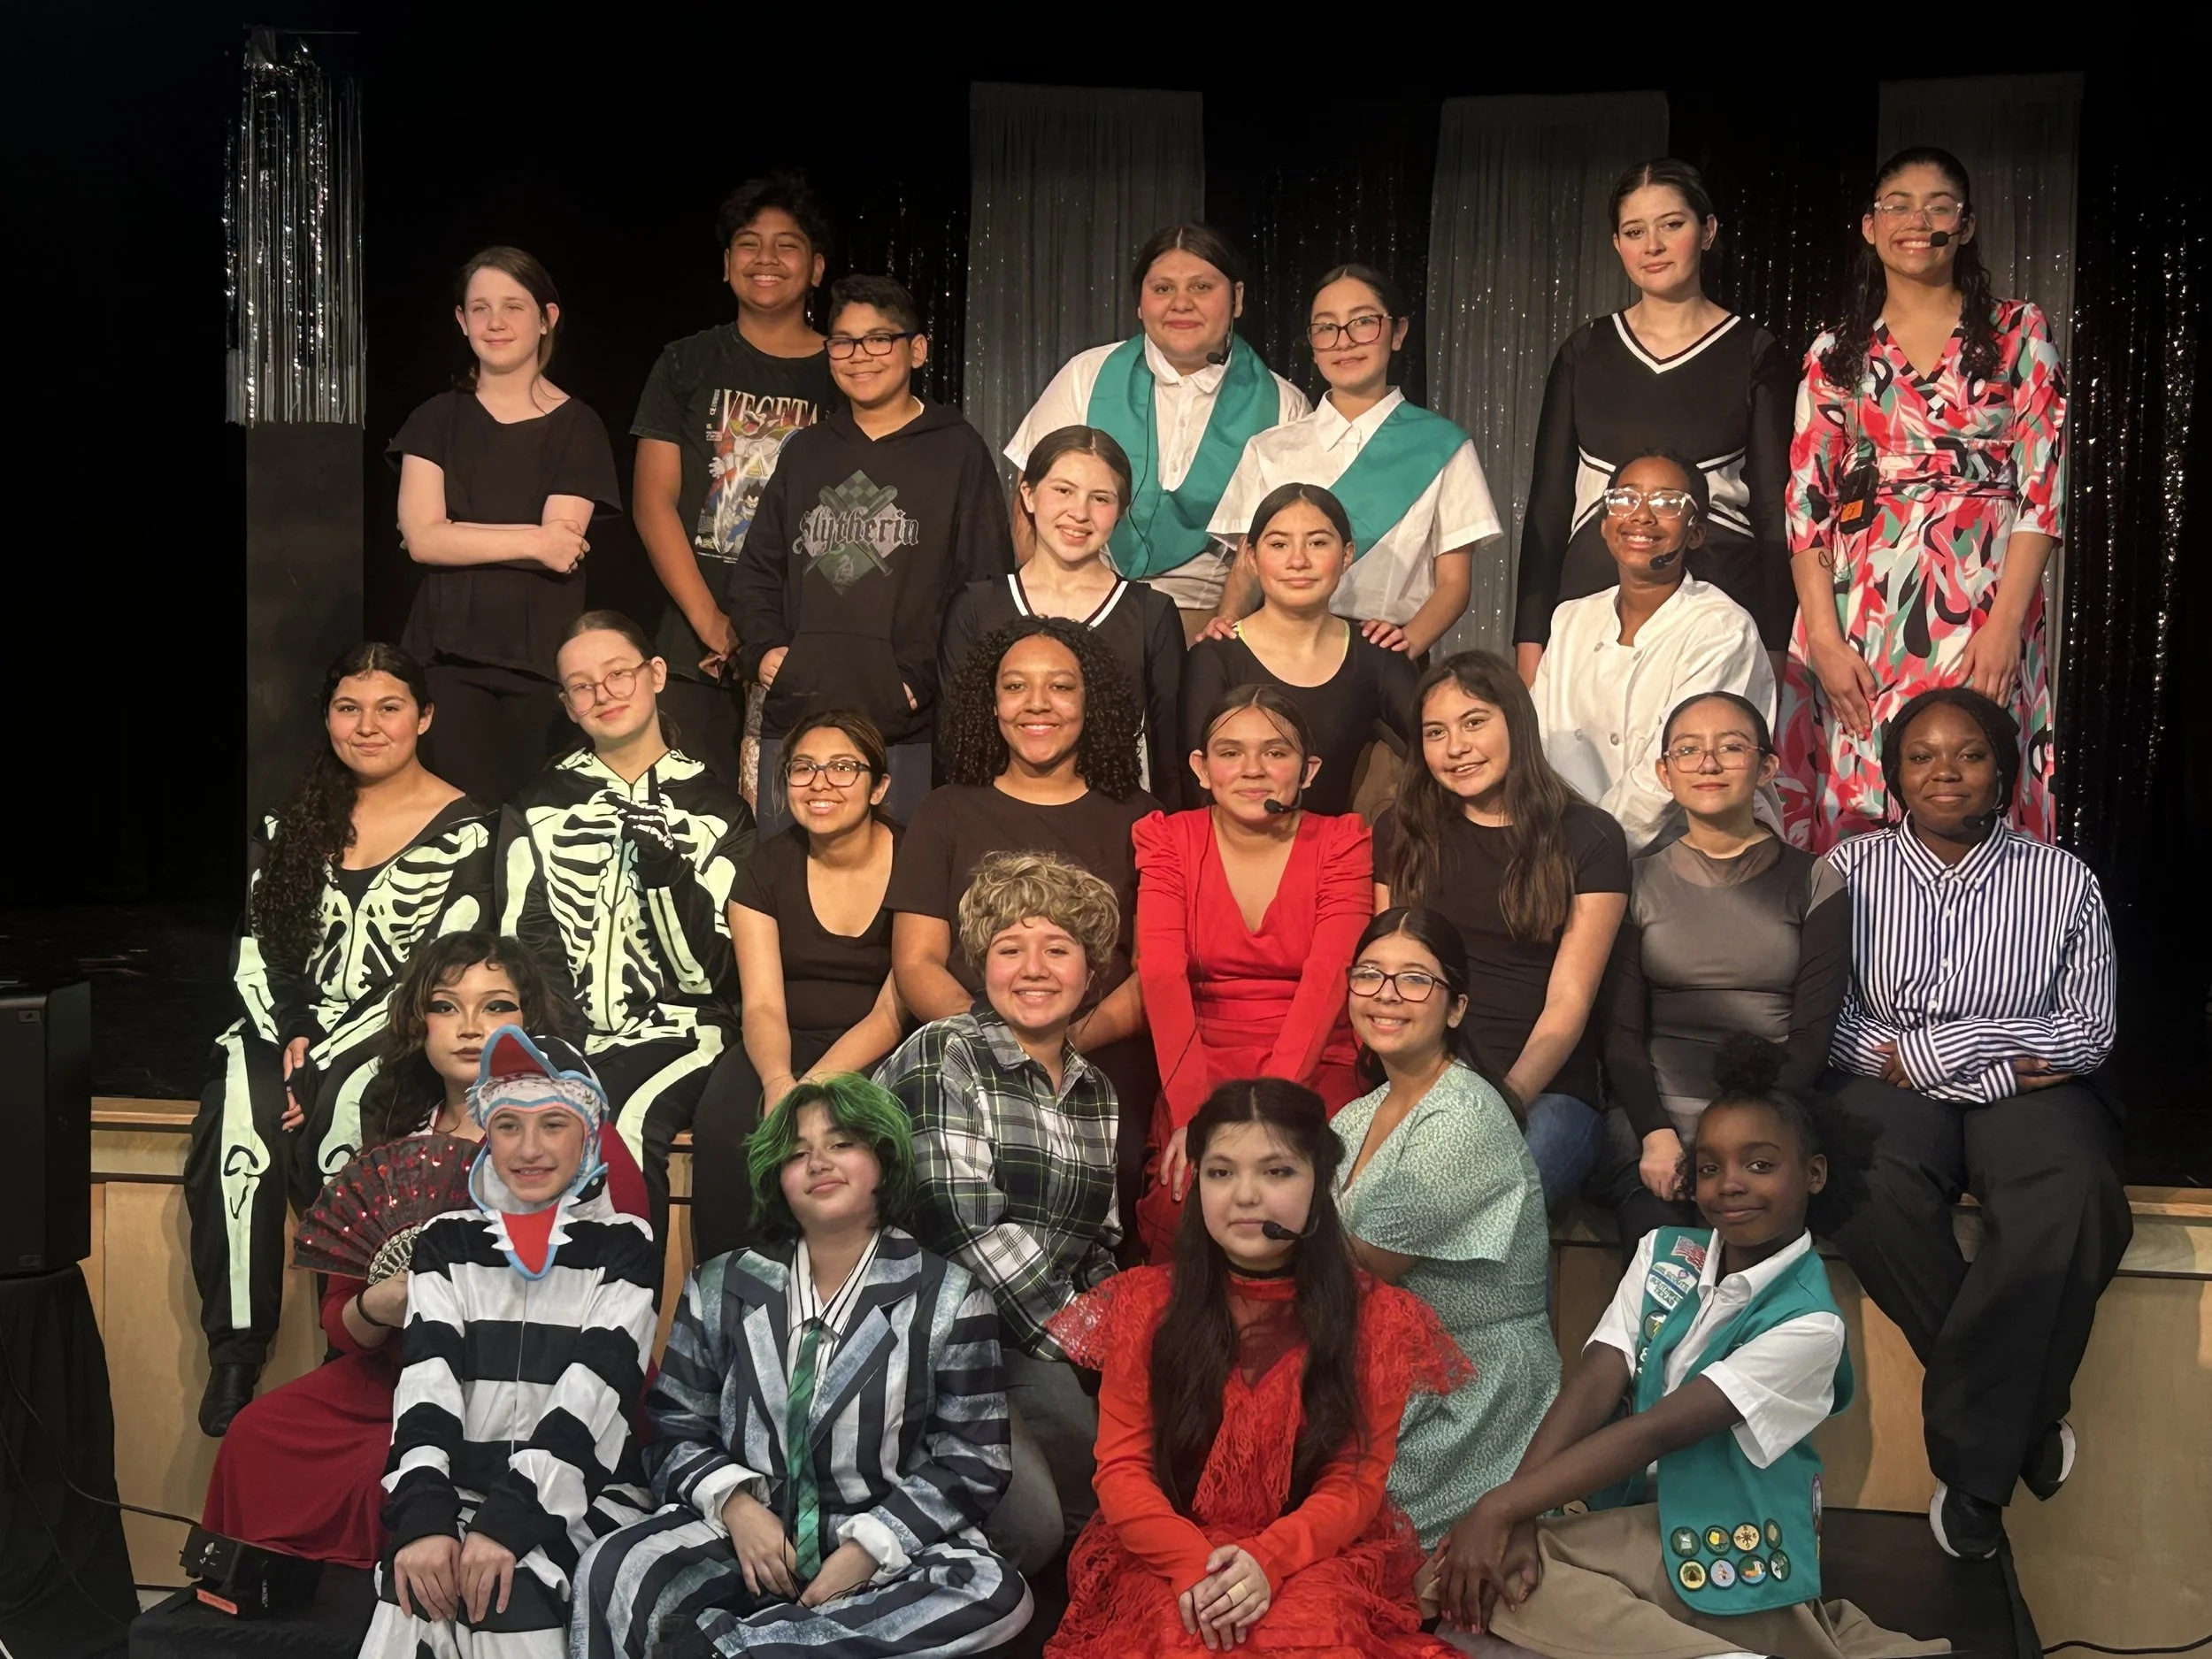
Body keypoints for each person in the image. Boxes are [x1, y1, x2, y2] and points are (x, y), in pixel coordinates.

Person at [1427, 1039, 1945, 1659]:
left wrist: (1499, 1505)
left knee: (1472, 1592)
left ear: (1813, 1173)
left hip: (1725, 1535)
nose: (1730, 1185)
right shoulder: (1663, 1252)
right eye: (1709, 1166)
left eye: (1759, 1164)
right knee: (1461, 1579)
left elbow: (1654, 1433)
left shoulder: (1811, 1324)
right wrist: (1516, 1512)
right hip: (1637, 1522)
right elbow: (1596, 1381)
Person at [201, 936, 648, 1570]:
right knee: (255, 1434)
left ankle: (379, 1612)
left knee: (380, 1475)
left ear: (530, 1024)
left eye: (496, 1006)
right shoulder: (392, 1142)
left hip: (535, 1374)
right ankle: (254, 1598)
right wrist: (382, 1303)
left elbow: (625, 1290)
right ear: (420, 1024)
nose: (470, 1028)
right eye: (446, 1006)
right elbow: (341, 1321)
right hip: (394, 1373)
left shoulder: (577, 1135)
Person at [1814, 687, 2125, 1560]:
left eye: (1969, 755)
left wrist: (1950, 1051)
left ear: (2002, 773)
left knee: (2071, 1193)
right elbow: (1827, 1011)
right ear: (1894, 777)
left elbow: (2088, 1029)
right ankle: (2016, 1423)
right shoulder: (1849, 870)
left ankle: (1972, 1467)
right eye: (1921, 757)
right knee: (1856, 1180)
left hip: (2022, 1089)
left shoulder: (2062, 880)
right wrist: (1904, 1059)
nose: (1944, 772)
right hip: (1887, 1081)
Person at [572, 1077, 1033, 1658]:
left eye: (841, 1143)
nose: (817, 1161)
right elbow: (673, 1430)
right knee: (611, 1569)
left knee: (997, 1593)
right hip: (741, 1528)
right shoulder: (719, 1284)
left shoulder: (951, 1295)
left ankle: (740, 1647)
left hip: (881, 1532)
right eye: (795, 1153)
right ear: (777, 1181)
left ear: (883, 1161)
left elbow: (974, 1457)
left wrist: (870, 1545)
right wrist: (737, 1506)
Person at [1042, 1079, 1466, 1659]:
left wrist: (1268, 1561)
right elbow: (1122, 1470)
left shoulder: (1378, 1318)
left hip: (1309, 1551)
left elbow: (1355, 1480)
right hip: (1169, 1548)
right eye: (1220, 1172)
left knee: (1311, 1635)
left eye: (1277, 1172)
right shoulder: (1143, 1305)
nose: (1245, 1195)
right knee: (1182, 1637)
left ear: (1320, 1183)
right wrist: (1192, 1564)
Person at [186, 643, 493, 1436]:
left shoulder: (473, 831)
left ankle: (346, 1339)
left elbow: (432, 968)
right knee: (241, 1096)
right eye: (348, 708)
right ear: (327, 719)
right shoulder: (297, 822)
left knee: (347, 1106)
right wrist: (291, 1034)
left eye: (389, 707)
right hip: (293, 1024)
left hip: (396, 1029)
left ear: (423, 717)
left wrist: (321, 1056)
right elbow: (261, 946)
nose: (367, 725)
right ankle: (237, 1347)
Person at [1780, 146, 2068, 851]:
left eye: (1939, 205)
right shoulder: (1836, 350)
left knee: (1975, 770)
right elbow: (1806, 504)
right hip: (1861, 609)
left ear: (1965, 226)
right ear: (1870, 227)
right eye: (1898, 205)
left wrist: (2006, 628)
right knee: (1858, 783)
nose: (1918, 219)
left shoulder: (2017, 331)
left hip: (1980, 597)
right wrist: (1821, 633)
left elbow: (2043, 489)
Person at [358, 1027, 659, 1659]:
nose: (529, 1148)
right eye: (508, 1126)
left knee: (507, 1595)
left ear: (588, 1134)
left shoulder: (625, 1246)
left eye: (553, 1124)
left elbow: (592, 1400)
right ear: (486, 1134)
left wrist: (506, 1524)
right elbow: (424, 1390)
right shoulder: (445, 1240)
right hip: (465, 1488)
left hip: (587, 1493)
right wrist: (423, 1519)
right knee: (413, 1590)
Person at [878, 850, 1126, 1575]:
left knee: (1108, 1495)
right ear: (982, 965)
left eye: (1057, 948)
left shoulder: (1097, 1092)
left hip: (1024, 1341)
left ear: (1090, 969)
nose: (1034, 968)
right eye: (1009, 949)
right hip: (925, 1342)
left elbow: (1099, 1245)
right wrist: (1094, 1341)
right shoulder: (943, 1052)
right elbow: (963, 1229)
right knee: (1034, 1525)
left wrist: (1133, 1339)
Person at [499, 611, 757, 1253]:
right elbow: (521, 940)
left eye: (618, 674)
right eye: (582, 685)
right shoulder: (534, 805)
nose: (604, 693)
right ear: (567, 703)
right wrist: (559, 1039)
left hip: (685, 1030)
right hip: (568, 1031)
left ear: (657, 675)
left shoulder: (717, 808)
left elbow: (717, 974)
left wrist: (669, 875)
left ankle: (624, 1340)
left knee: (622, 1117)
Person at [887, 616, 1160, 1215]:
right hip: (970, 1051)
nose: (1037, 703)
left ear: (1094, 703)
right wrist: (1004, 1046)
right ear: (991, 703)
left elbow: (1152, 974)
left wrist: (1067, 1042)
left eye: (1060, 686)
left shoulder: (1141, 817)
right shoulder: (944, 812)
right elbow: (916, 962)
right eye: (1015, 686)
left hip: (1098, 1053)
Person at [730, 274, 1014, 833]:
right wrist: (765, 653)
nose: (860, 356)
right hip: (798, 715)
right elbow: (758, 568)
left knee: (897, 891)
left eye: (879, 339)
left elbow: (983, 588)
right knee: (787, 886)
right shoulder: (807, 451)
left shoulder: (957, 450)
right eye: (844, 341)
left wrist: (917, 683)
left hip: (905, 725)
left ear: (918, 348)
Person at [1517, 158, 1795, 681]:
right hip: (1592, 608)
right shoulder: (1585, 350)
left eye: (1672, 225)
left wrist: (1776, 643)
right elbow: (1549, 509)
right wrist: (1531, 641)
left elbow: (1774, 512)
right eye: (1634, 231)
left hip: (1721, 608)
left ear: (1708, 231)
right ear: (1617, 244)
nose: (1653, 246)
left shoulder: (1754, 350)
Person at [1332, 909, 1557, 1548]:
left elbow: (1359, 1267)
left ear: (1456, 1007)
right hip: (1386, 1377)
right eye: (1370, 974)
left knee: (1344, 1549)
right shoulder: (1357, 1115)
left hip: (1469, 1393)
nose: (1386, 995)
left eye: (1414, 980)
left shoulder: (1463, 1116)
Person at [1373, 651, 1628, 1216]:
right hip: (1423, 1081)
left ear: (1516, 720)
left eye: (1474, 722)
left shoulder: (1590, 837)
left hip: (1544, 1090)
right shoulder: (1402, 831)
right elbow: (1388, 979)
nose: (1455, 747)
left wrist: (1498, 1104)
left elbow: (1569, 1003)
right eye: (1435, 732)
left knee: (1486, 1206)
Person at [1599, 693, 1850, 1246]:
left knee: (1752, 1256)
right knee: (1667, 1266)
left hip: (1770, 1112)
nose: (1708, 764)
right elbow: (1620, 1035)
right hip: (1657, 1116)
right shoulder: (1636, 882)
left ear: (1766, 767)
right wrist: (1657, 1133)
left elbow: (1812, 1036)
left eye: (1731, 748)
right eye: (1688, 751)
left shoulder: (1815, 881)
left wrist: (1737, 1133)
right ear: (1665, 772)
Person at [1132, 684, 1371, 1257]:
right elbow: (1161, 974)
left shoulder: (1343, 842)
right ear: (1202, 767)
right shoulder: (1169, 839)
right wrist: (1199, 1115)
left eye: (1276, 752)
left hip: (1315, 1061)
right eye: (1230, 751)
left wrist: (1269, 1111)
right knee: (1184, 1192)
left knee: (1302, 1190)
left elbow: (1328, 980)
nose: (1252, 770)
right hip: (1200, 1060)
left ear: (1308, 769)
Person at [389, 246, 622, 806]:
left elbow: (563, 547)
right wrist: (532, 540)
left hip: (543, 664)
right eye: (480, 307)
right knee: (461, 826)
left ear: (547, 318)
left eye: (513, 307)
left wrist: (461, 535)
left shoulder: (578, 427)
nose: (496, 322)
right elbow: (423, 538)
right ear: (461, 321)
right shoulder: (435, 420)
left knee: (528, 833)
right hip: (447, 657)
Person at [632, 173, 842, 784]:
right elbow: (653, 502)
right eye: (750, 244)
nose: (767, 260)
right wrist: (713, 625)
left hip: (810, 646)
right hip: (697, 645)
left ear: (817, 267)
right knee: (692, 820)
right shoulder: (685, 363)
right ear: (727, 265)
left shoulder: (847, 371)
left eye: (788, 244)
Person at [1006, 225, 1310, 638]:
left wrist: (1223, 635)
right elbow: (1030, 500)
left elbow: (1268, 543)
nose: (1181, 304)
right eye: (1162, 289)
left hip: (1206, 621)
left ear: (1237, 298)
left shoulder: (1282, 405)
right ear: (1139, 302)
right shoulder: (1086, 376)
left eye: (1202, 287)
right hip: (1079, 611)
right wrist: (1042, 617)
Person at [1210, 263, 1502, 659]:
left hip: (1383, 651)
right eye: (1326, 327)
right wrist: (1225, 625)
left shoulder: (1443, 445)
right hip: (1276, 649)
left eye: (1363, 322)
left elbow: (1453, 583)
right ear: (1312, 346)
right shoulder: (1270, 449)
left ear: (1397, 333)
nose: (1344, 341)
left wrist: (1406, 647)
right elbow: (1247, 567)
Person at [701, 710, 907, 1262]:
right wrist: (777, 1083)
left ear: (879, 786)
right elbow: (763, 1003)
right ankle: (727, 1304)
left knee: (862, 1136)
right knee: (725, 1131)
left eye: (843, 768)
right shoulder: (763, 869)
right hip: (780, 1041)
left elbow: (893, 1008)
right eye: (802, 768)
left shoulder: (917, 859)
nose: (820, 784)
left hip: (882, 1045)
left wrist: (812, 1088)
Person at [1532, 449, 1775, 854]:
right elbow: (1536, 743)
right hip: (1560, 844)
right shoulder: (1570, 619)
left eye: (1667, 503)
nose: (1642, 515)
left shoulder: (1722, 628)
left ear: (1696, 533)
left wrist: (1590, 855)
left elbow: (1677, 766)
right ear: (1605, 524)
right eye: (1625, 499)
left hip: (1685, 855)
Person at [942, 425, 1186, 793]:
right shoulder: (976, 607)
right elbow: (953, 748)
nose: (1079, 513)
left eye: (1101, 498)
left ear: (1121, 512)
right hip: (994, 830)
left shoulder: (1151, 614)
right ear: (1028, 494)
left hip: (1114, 829)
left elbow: (1171, 758)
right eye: (1063, 490)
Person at [1181, 484, 1417, 818]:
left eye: (1318, 543)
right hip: (1230, 852)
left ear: (1347, 554)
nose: (1298, 561)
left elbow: (1437, 743)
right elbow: (1196, 785)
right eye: (1279, 544)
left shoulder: (1376, 651)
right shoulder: (1216, 655)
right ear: (1251, 555)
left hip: (1331, 857)